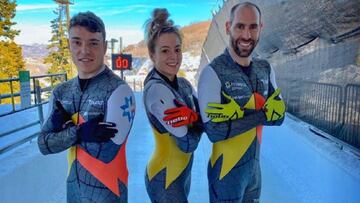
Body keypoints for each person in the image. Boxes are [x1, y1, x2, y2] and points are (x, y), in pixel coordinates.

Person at [38, 11, 135, 202]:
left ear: (104, 47)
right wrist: (80, 132)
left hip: (108, 192)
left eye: (93, 43)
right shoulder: (61, 92)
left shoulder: (119, 90)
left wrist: (66, 128)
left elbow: (106, 153)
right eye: (77, 42)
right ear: (69, 45)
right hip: (73, 191)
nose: (85, 50)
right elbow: (43, 144)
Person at [198, 2, 286, 202]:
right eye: (240, 26)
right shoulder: (212, 72)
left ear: (260, 28)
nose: (246, 35)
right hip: (225, 175)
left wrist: (239, 116)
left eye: (252, 27)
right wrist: (262, 115)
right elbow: (214, 132)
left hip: (254, 174)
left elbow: (280, 117)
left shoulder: (265, 68)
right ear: (229, 27)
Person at [142, 8, 203, 203]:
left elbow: (208, 116)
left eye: (177, 49)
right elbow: (187, 144)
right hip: (164, 177)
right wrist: (199, 121)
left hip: (181, 174)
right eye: (165, 50)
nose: (173, 56)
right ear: (152, 54)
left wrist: (196, 120)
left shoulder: (183, 84)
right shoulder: (156, 90)